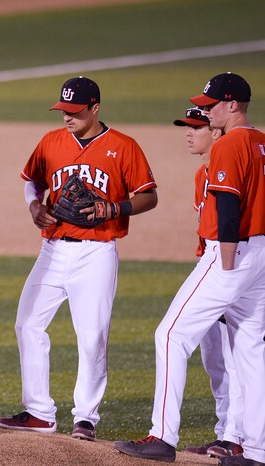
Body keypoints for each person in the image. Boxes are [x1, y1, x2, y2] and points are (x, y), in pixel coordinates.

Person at [0, 76, 158, 441]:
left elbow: (149, 196)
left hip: (96, 253)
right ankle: (39, 412)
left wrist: (114, 207)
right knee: (28, 324)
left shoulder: (123, 146)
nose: (67, 117)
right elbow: (32, 181)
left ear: (95, 108)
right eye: (63, 110)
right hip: (52, 250)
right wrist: (34, 206)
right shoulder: (51, 142)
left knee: (93, 336)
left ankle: (86, 418)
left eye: (75, 111)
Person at [114, 73, 265, 466]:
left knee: (170, 335)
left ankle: (162, 437)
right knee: (250, 350)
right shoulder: (262, 141)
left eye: (212, 104)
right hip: (262, 256)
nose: (207, 110)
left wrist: (227, 266)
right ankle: (257, 451)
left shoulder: (231, 143)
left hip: (233, 252)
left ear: (233, 105)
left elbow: (229, 208)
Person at [173, 107, 244, 458]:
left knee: (237, 359)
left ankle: (238, 437)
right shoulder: (202, 174)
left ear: (216, 132)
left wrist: (227, 276)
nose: (189, 133)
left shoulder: (233, 168)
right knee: (214, 359)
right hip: (210, 266)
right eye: (187, 127)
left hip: (232, 270)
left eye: (196, 127)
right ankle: (225, 433)